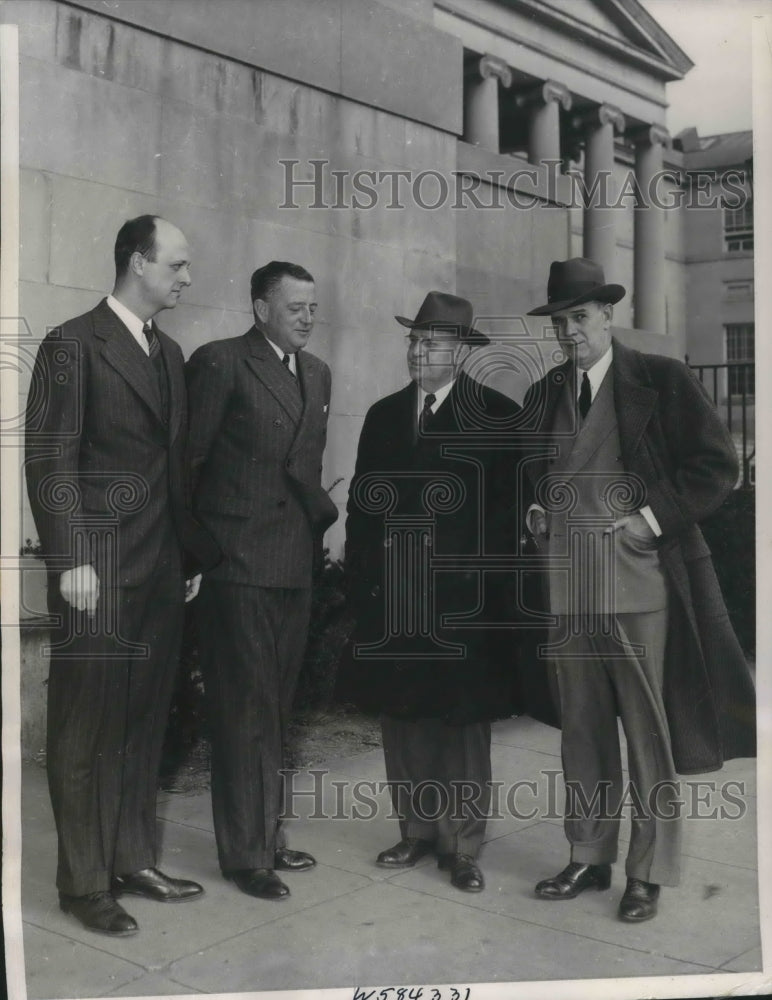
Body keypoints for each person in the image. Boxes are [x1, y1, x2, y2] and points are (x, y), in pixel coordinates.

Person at [523, 257, 756, 922]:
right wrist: (535, 507)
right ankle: (588, 855)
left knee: (648, 738)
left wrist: (648, 519)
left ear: (607, 315)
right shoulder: (548, 392)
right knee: (582, 733)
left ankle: (647, 872)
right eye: (561, 321)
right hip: (568, 589)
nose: (571, 332)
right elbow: (532, 468)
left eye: (581, 317)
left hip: (635, 586)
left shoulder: (658, 377)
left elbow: (718, 466)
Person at [25, 215, 220, 937]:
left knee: (141, 724)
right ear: (138, 263)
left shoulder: (168, 353)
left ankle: (132, 858)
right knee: (85, 729)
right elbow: (50, 461)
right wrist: (71, 558)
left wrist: (187, 559)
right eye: (177, 265)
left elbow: (173, 472)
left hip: (160, 570)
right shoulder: (72, 344)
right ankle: (82, 883)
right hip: (98, 575)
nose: (186, 279)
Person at [337, 291, 523, 893]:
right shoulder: (384, 414)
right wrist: (366, 585)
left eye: (434, 341)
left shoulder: (495, 413)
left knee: (462, 723)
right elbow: (362, 506)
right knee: (403, 713)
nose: (420, 350)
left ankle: (463, 845)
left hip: (462, 604)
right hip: (395, 599)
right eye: (414, 339)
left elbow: (505, 517)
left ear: (461, 351)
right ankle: (416, 830)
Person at [186, 261, 338, 901]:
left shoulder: (318, 373)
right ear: (260, 308)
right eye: (295, 306)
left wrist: (319, 524)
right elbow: (187, 463)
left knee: (276, 708)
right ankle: (245, 855)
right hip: (238, 566)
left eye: (312, 306)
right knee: (244, 709)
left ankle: (266, 835)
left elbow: (305, 469)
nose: (307, 316)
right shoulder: (221, 362)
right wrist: (193, 556)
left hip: (292, 568)